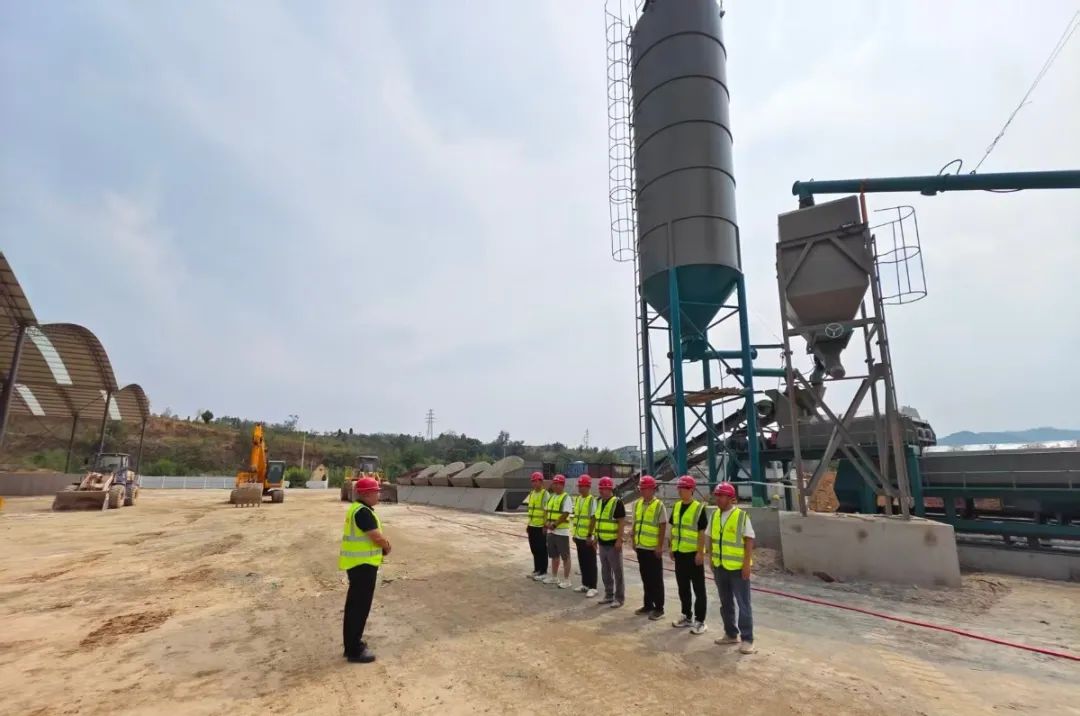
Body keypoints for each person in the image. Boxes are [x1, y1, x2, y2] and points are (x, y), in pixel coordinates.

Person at [339, 476, 391, 664]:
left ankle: (353, 644)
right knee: (358, 609)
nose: (379, 495)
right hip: (363, 566)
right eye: (376, 492)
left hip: (358, 565)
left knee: (356, 607)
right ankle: (354, 650)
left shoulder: (357, 509)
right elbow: (375, 536)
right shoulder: (363, 512)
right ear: (367, 494)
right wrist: (387, 546)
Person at [705, 482, 756, 654]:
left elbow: (749, 540)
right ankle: (730, 633)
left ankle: (747, 639)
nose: (718, 499)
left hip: (737, 568)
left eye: (721, 496)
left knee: (743, 604)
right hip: (720, 567)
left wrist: (746, 564)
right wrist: (710, 557)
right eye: (717, 495)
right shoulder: (714, 515)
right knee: (725, 603)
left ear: (730, 498)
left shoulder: (741, 516)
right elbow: (710, 537)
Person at [670, 475, 708, 635]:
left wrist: (700, 552)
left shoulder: (698, 508)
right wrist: (671, 547)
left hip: (693, 555)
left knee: (698, 589)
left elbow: (701, 532)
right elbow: (674, 529)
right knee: (683, 587)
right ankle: (686, 615)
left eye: (683, 488)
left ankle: (700, 621)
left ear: (691, 489)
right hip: (680, 554)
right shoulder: (677, 506)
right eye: (679, 488)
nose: (680, 491)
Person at [631, 475, 667, 620]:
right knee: (645, 577)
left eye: (645, 488)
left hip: (652, 549)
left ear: (652, 489)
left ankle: (659, 608)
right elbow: (635, 523)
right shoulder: (637, 504)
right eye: (641, 488)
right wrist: (634, 540)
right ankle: (648, 605)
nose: (642, 491)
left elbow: (662, 525)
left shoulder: (658, 505)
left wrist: (659, 546)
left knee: (656, 579)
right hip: (641, 546)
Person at [594, 476, 626, 608]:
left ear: (610, 489)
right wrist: (595, 537)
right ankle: (608, 595)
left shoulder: (617, 502)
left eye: (603, 488)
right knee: (605, 571)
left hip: (613, 543)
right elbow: (598, 521)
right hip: (602, 542)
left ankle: (619, 598)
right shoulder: (599, 502)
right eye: (600, 488)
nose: (601, 491)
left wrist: (619, 539)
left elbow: (621, 522)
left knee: (617, 572)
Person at [543, 474, 573, 588]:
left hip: (561, 532)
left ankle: (567, 580)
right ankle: (554, 577)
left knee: (565, 556)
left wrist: (554, 524)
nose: (555, 486)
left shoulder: (566, 497)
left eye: (558, 484)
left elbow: (565, 514)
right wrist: (546, 523)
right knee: (554, 555)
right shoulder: (551, 497)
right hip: (551, 532)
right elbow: (546, 511)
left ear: (563, 485)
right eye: (554, 483)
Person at [571, 475, 598, 598]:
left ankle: (593, 587)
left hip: (587, 537)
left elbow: (593, 518)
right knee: (582, 561)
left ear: (588, 487)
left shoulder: (592, 500)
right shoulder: (578, 499)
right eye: (579, 486)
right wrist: (575, 534)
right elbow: (577, 518)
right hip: (579, 536)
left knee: (590, 562)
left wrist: (589, 535)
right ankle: (585, 584)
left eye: (582, 486)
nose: (580, 488)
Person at [525, 472, 549, 581]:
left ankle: (543, 571)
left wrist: (545, 525)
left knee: (541, 549)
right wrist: (528, 524)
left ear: (541, 482)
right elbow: (531, 510)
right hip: (532, 525)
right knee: (534, 548)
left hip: (540, 526)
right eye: (533, 481)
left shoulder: (545, 494)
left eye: (536, 481)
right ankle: (537, 569)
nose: (534, 483)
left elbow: (546, 511)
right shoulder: (532, 494)